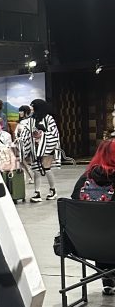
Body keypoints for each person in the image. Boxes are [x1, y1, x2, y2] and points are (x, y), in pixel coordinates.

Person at [71, 139, 115, 294]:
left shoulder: (84, 178)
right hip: (111, 241)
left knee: (99, 227)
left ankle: (107, 278)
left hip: (84, 244)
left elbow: (74, 205)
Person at [17, 98, 61, 203]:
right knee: (36, 170)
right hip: (35, 148)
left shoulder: (49, 118)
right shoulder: (31, 120)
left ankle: (53, 190)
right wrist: (22, 139)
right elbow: (26, 132)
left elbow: (54, 134)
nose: (31, 109)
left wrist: (42, 134)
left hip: (47, 147)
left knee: (47, 168)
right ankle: (37, 192)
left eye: (33, 106)